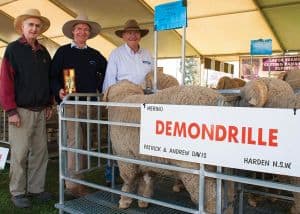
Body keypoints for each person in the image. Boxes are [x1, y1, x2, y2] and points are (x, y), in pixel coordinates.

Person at [0, 9, 53, 208]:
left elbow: (47, 80)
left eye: (37, 25)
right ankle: (17, 191)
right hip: (20, 111)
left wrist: (49, 103)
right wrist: (10, 111)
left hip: (41, 110)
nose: (34, 28)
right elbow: (5, 81)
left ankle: (36, 189)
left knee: (40, 152)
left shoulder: (43, 51)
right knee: (20, 153)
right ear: (22, 27)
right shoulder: (13, 49)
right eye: (30, 24)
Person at [50, 14, 107, 197]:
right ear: (72, 32)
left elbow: (107, 74)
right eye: (79, 29)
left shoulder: (95, 55)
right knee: (75, 142)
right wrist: (58, 90)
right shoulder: (63, 52)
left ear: (89, 33)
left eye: (85, 29)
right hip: (71, 104)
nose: (82, 32)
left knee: (85, 144)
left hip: (90, 105)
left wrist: (101, 91)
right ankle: (73, 186)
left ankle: (79, 182)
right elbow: (52, 75)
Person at [102, 19, 153, 185]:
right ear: (123, 36)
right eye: (129, 33)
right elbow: (110, 79)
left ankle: (141, 173)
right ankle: (113, 174)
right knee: (118, 140)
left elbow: (153, 77)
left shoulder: (147, 54)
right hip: (122, 102)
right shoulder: (116, 54)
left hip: (143, 101)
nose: (133, 35)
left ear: (140, 35)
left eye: (136, 32)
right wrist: (110, 104)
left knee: (139, 137)